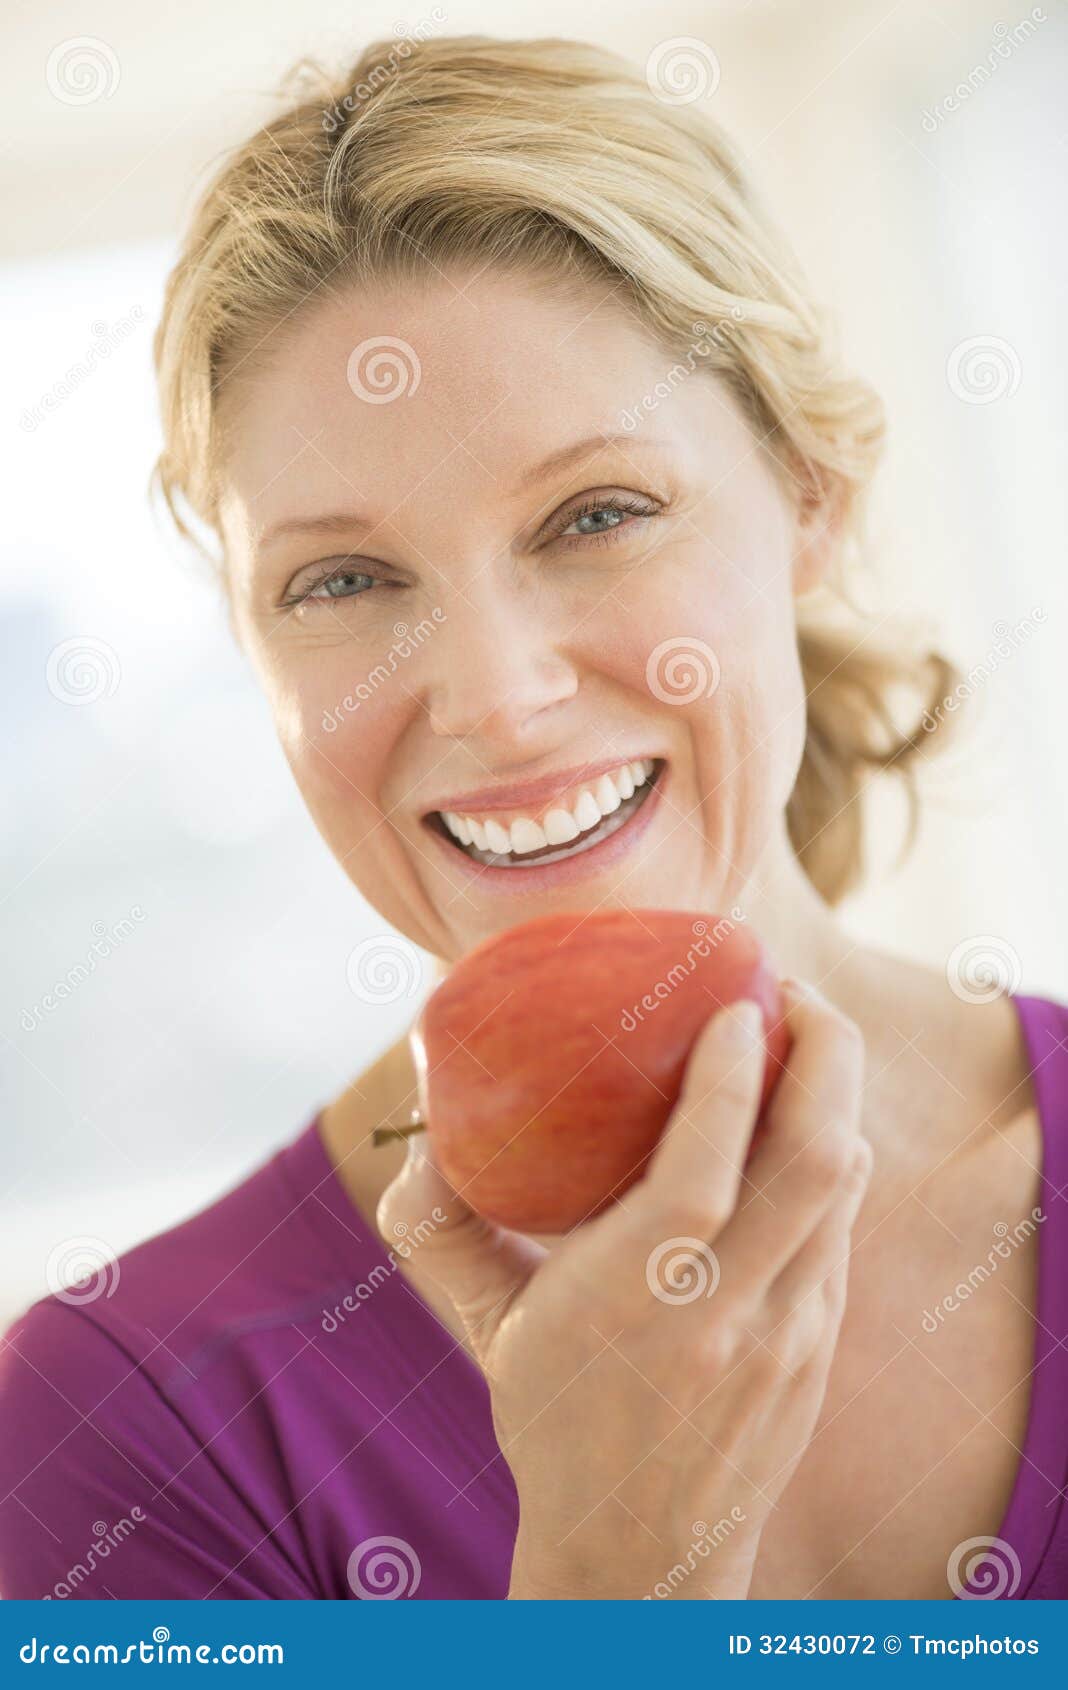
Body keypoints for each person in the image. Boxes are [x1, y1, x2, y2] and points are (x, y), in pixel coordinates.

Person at [2, 34, 1064, 1602]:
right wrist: (611, 1585)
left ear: (812, 493)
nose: (496, 698)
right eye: (346, 581)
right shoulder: (120, 1428)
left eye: (597, 514)